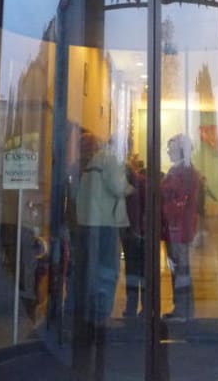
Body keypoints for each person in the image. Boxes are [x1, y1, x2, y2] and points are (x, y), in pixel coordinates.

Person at [72, 133, 133, 379]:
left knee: (90, 267)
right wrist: (132, 187)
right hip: (105, 221)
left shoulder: (92, 160)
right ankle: (101, 315)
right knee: (107, 269)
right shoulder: (111, 159)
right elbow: (118, 187)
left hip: (87, 220)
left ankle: (87, 312)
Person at [160, 133, 202, 322]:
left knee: (181, 270)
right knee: (179, 269)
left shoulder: (183, 172)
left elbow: (177, 200)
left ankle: (183, 311)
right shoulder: (182, 171)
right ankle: (182, 309)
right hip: (175, 227)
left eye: (172, 149)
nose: (168, 152)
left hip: (178, 228)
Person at [120, 154, 146, 318]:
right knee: (141, 271)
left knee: (133, 271)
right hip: (137, 232)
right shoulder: (141, 182)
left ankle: (132, 307)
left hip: (133, 232)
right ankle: (143, 307)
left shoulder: (133, 184)